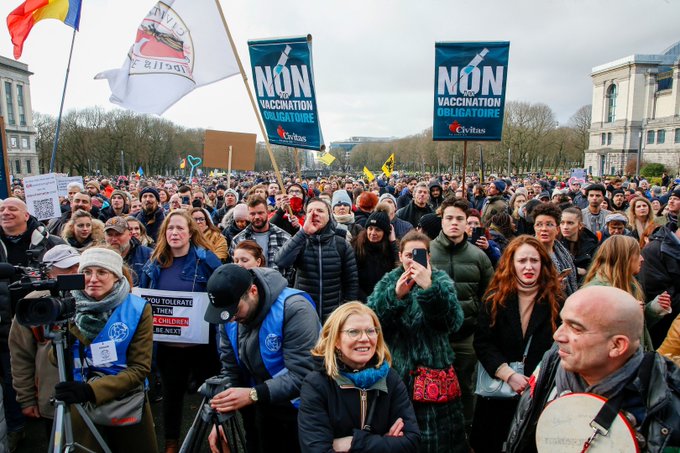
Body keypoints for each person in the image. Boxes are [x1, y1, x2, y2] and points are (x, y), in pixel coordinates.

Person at [505, 286, 680, 453]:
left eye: (575, 328)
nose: (557, 335)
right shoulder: (549, 368)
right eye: (562, 322)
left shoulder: (667, 408)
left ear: (617, 345)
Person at [368, 230, 467, 453]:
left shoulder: (439, 280)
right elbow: (373, 323)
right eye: (409, 255)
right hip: (396, 372)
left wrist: (429, 289)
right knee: (397, 433)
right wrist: (395, 297)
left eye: (419, 255)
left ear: (429, 257)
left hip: (434, 373)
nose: (413, 260)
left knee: (437, 440)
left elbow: (453, 323)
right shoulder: (389, 281)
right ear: (400, 255)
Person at [204, 264, 320, 453]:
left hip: (299, 409)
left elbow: (303, 375)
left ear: (253, 291)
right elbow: (230, 369)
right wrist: (221, 416)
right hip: (259, 402)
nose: (231, 319)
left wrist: (253, 394)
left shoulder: (295, 309)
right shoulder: (230, 316)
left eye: (235, 309)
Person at [53, 247, 157, 452]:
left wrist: (92, 391)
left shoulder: (137, 308)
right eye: (87, 272)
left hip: (125, 402)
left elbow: (139, 368)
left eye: (101, 272)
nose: (93, 279)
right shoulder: (68, 307)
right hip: (79, 404)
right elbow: (56, 359)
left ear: (116, 277)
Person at [138, 211, 222, 452]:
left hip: (203, 346)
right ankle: (171, 443)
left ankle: (218, 437)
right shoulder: (153, 263)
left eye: (180, 228)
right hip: (167, 348)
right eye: (170, 229)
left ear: (190, 232)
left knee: (213, 397)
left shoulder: (206, 260)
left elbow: (222, 293)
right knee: (172, 398)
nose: (174, 233)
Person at [471, 235, 562, 453]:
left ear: (543, 263)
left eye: (534, 260)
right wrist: (508, 374)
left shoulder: (556, 300)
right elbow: (483, 342)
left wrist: (538, 379)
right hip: (499, 392)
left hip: (538, 392)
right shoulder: (494, 298)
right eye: (522, 261)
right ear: (511, 263)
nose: (528, 266)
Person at [298, 302, 420, 452]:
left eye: (370, 331)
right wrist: (386, 443)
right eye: (353, 332)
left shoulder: (390, 379)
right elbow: (317, 449)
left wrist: (353, 443)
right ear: (336, 340)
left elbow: (411, 442)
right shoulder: (317, 384)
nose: (364, 338)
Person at [429, 198, 494, 427]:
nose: (454, 223)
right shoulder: (425, 252)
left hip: (467, 335)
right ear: (442, 220)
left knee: (465, 386)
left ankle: (465, 429)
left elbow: (490, 295)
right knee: (432, 386)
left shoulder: (478, 256)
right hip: (433, 336)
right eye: (449, 218)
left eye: (459, 219)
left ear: (467, 223)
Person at [8, 245, 79, 440]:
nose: (74, 272)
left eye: (77, 266)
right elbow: (21, 356)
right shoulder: (33, 305)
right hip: (51, 398)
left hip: (90, 398)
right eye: (66, 269)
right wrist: (26, 398)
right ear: (49, 272)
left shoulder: (95, 297)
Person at [274, 198, 359, 321]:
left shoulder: (341, 244)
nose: (315, 214)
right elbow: (280, 261)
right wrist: (304, 232)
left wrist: (346, 311)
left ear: (329, 216)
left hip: (334, 315)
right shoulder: (300, 241)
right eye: (310, 211)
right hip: (304, 314)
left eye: (320, 210)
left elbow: (351, 281)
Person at [583, 235, 672, 351]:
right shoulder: (596, 293)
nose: (642, 258)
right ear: (624, 258)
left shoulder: (629, 285)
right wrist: (627, 313)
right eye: (637, 254)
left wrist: (653, 309)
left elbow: (637, 332)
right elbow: (594, 337)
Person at [229, 196, 292, 276]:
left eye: (260, 213)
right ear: (248, 215)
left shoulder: (284, 237)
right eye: (252, 214)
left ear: (267, 212)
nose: (257, 217)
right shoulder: (238, 240)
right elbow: (234, 269)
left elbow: (290, 267)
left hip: (278, 285)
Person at [532, 203, 578, 296]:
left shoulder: (563, 253)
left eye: (549, 224)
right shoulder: (528, 253)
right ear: (534, 228)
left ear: (557, 229)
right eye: (539, 225)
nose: (544, 229)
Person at [351, 211, 398, 301]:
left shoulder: (390, 249)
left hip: (384, 301)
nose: (373, 233)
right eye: (370, 228)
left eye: (378, 229)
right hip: (361, 301)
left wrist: (393, 243)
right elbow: (352, 280)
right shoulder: (356, 247)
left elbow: (399, 267)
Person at [104, 216, 152, 286]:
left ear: (129, 235)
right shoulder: (99, 257)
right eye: (110, 235)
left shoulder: (148, 255)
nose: (114, 239)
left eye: (118, 234)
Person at [558, 206, 599, 283]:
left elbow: (594, 271)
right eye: (562, 223)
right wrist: (576, 270)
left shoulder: (591, 245)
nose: (565, 227)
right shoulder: (555, 243)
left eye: (570, 223)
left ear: (580, 225)